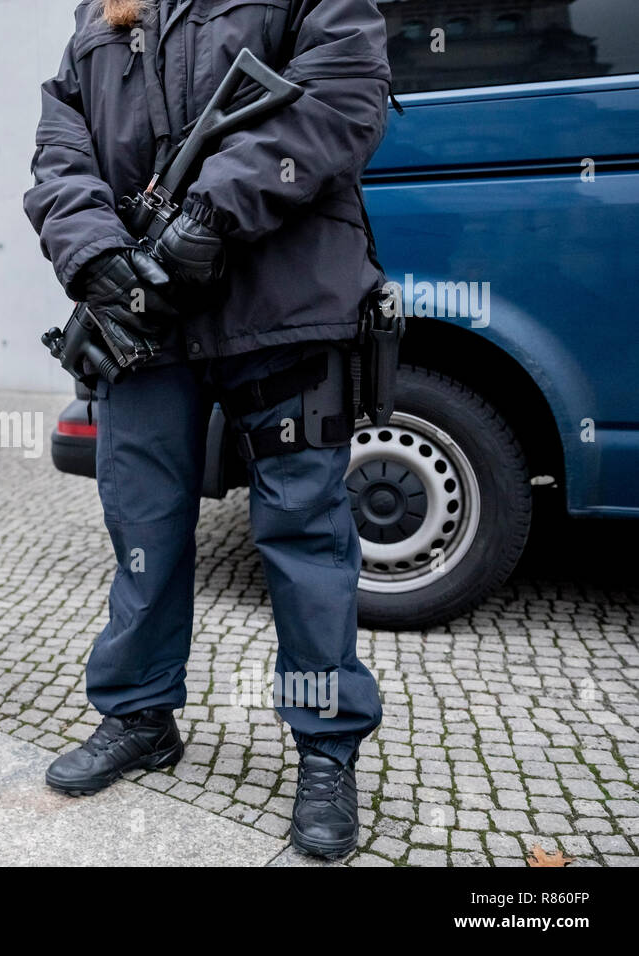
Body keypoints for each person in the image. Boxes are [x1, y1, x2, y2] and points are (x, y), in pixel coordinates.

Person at [23, 0, 390, 857]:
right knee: (142, 529)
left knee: (304, 541)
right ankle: (140, 716)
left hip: (286, 305)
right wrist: (98, 256)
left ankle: (326, 749)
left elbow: (343, 97)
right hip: (147, 317)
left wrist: (208, 216)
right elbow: (57, 149)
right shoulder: (97, 16)